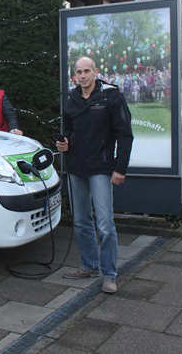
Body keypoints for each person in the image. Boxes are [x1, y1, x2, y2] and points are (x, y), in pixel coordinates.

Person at [56, 57, 133, 294]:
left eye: (87, 71)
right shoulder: (71, 98)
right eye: (78, 72)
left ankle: (109, 275)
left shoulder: (111, 96)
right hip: (76, 168)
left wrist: (120, 168)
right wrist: (63, 143)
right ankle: (89, 265)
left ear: (95, 72)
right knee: (81, 221)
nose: (82, 75)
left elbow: (125, 134)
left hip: (101, 168)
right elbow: (67, 129)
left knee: (105, 223)